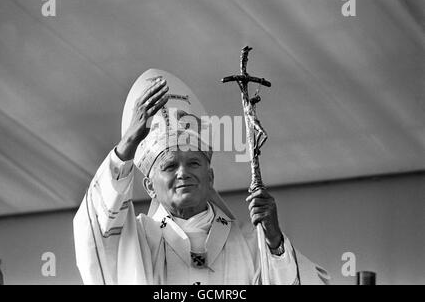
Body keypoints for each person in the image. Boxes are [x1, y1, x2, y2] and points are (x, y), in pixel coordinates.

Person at [73, 69, 329, 285]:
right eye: (170, 165)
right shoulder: (138, 241)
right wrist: (128, 143)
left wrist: (275, 242)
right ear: (150, 187)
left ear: (210, 176)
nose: (183, 173)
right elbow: (96, 236)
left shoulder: (251, 243)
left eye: (193, 163)